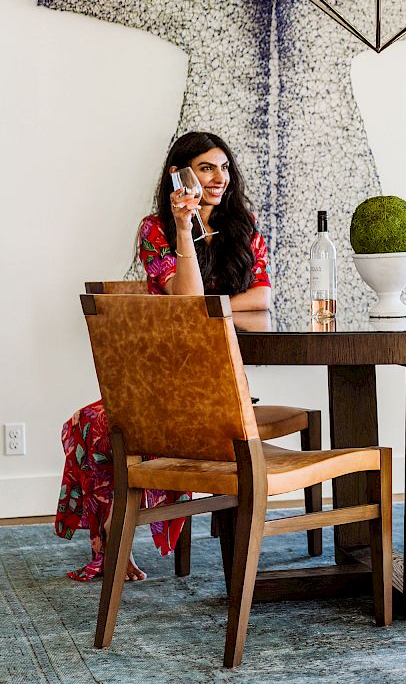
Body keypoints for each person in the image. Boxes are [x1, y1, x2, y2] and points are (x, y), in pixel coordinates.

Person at [56, 131, 272, 581]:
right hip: (168, 379)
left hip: (223, 384)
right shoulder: (155, 230)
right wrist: (182, 229)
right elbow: (186, 300)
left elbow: (263, 298)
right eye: (207, 168)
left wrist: (213, 307)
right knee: (91, 425)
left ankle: (118, 535)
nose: (219, 178)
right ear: (180, 175)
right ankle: (113, 543)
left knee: (96, 423)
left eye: (224, 167)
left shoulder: (244, 227)